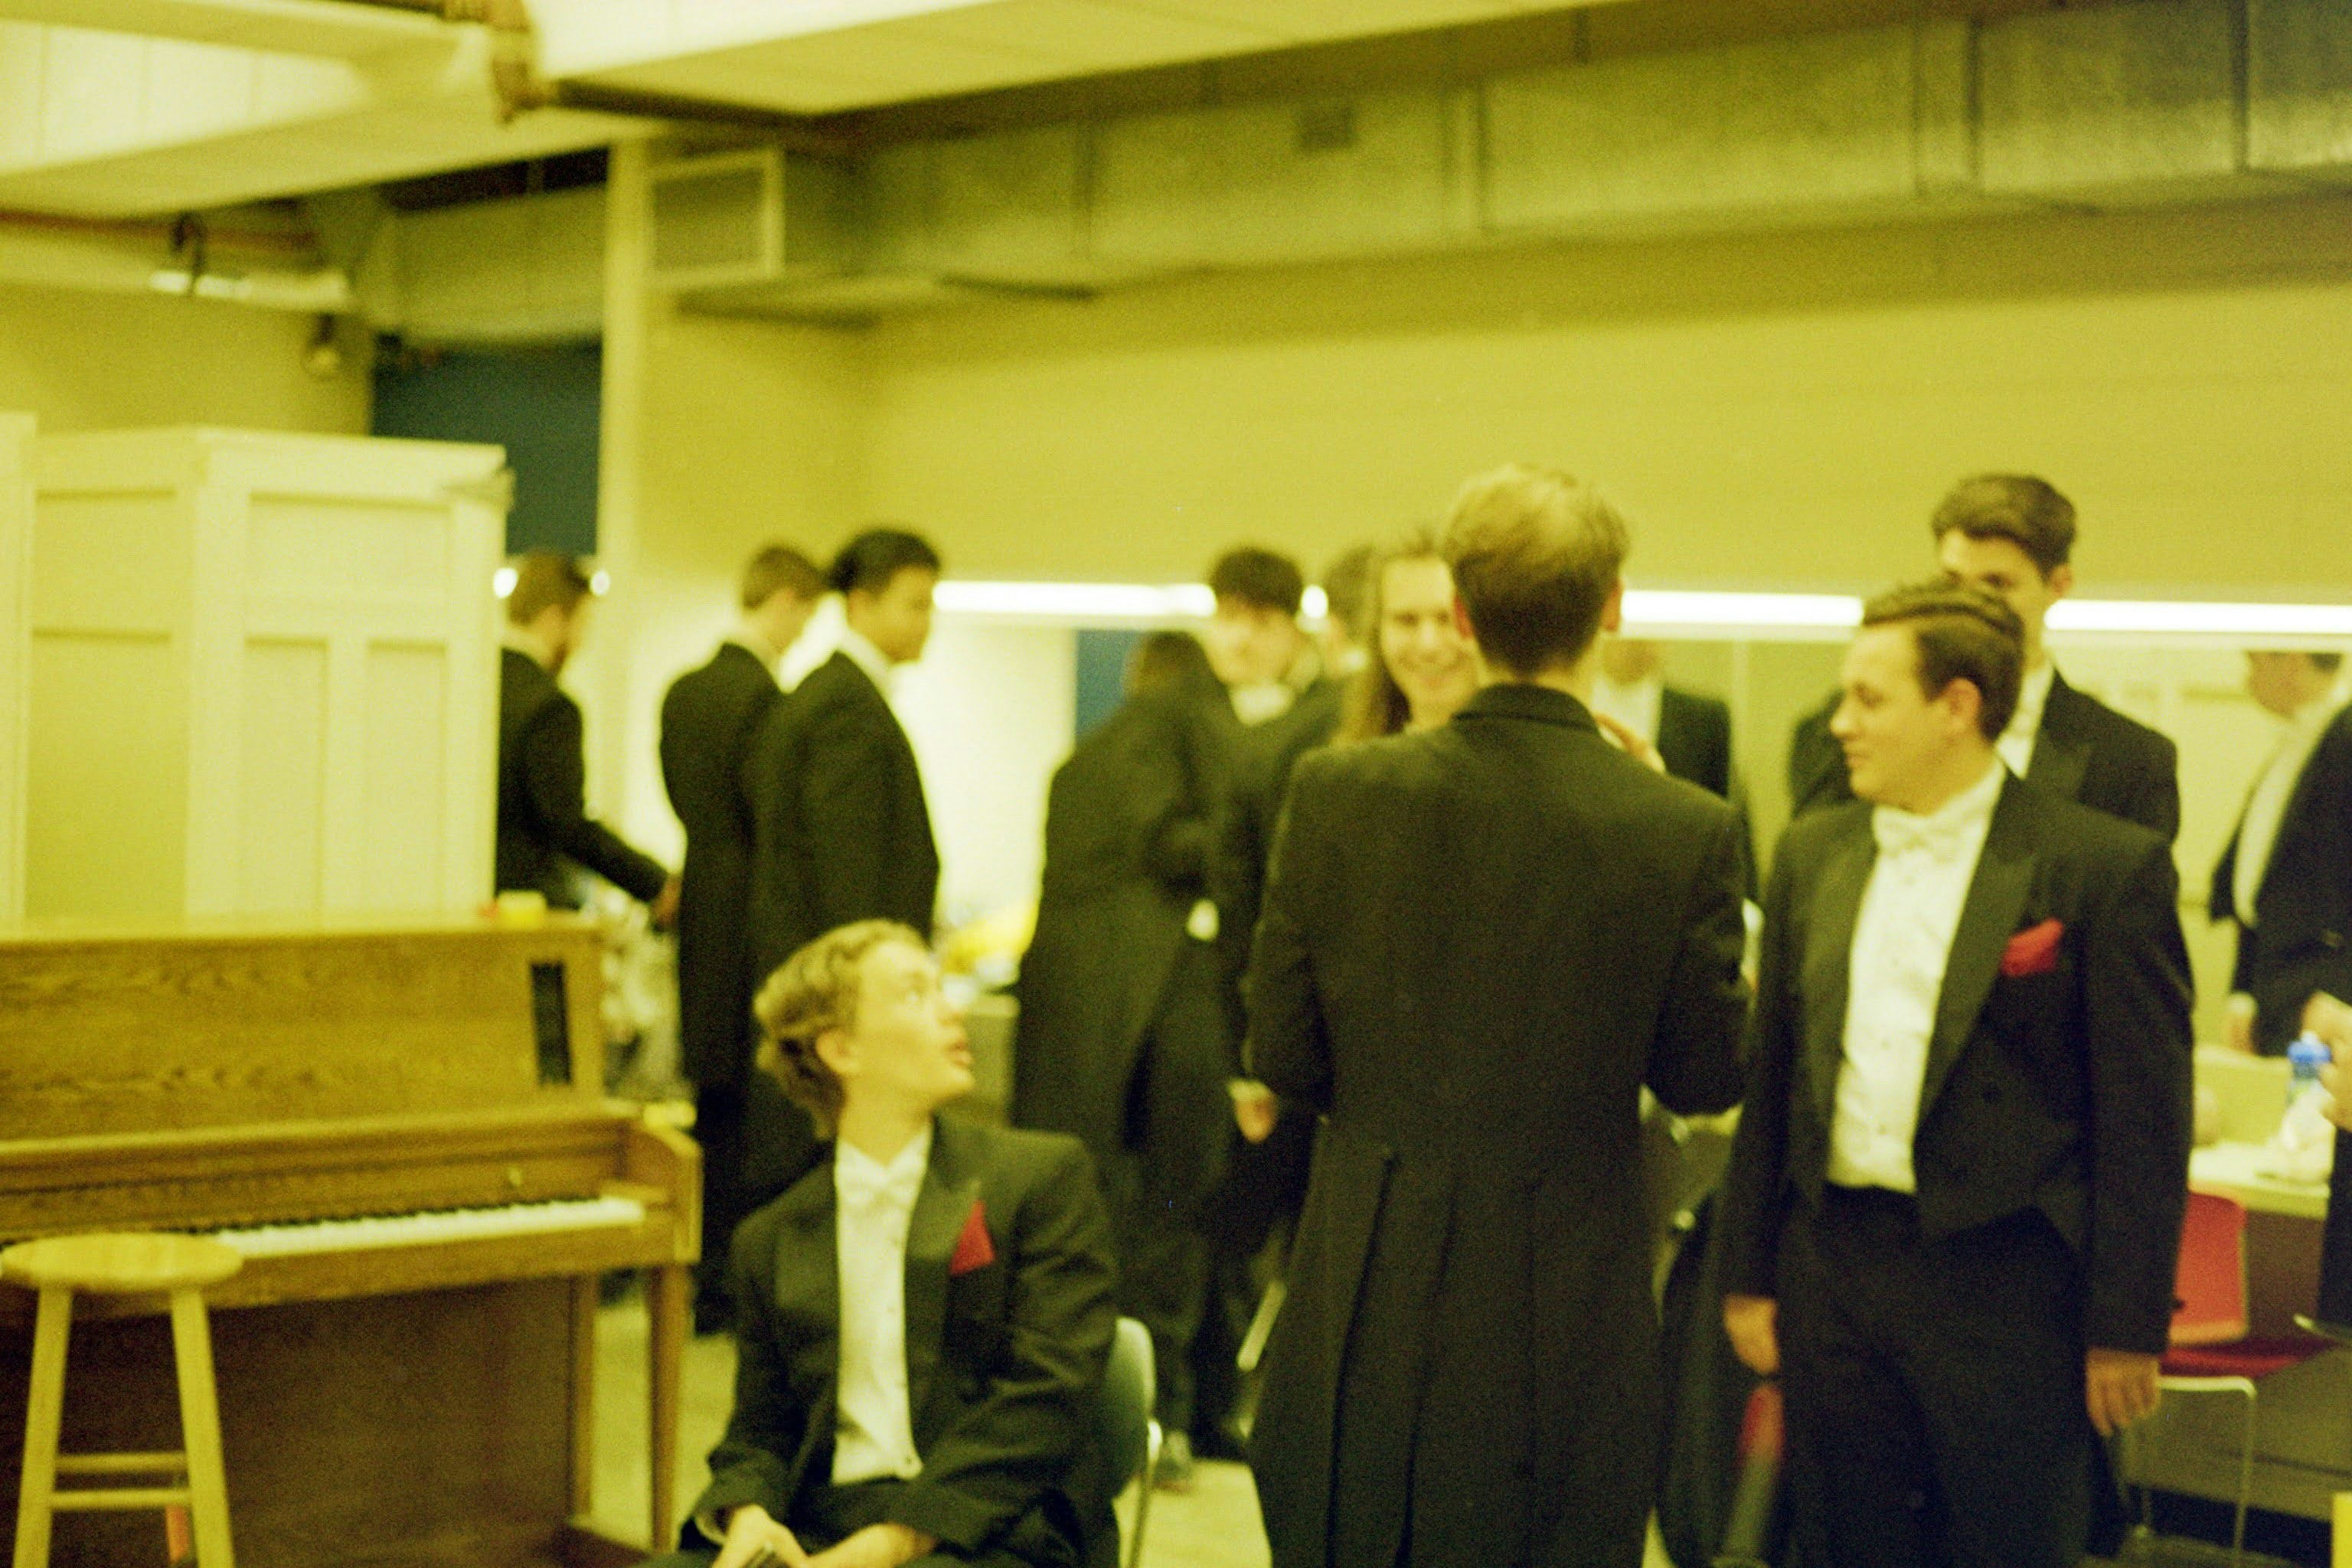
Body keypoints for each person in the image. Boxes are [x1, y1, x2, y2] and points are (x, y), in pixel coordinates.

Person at [1244, 464, 1750, 1568]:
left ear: (1465, 617)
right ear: (1612, 607)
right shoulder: (1680, 825)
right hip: (1568, 1290)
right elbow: (1707, 1075)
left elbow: (1281, 1049)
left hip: (1366, 1269)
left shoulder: (1335, 791)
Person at [1717, 583, 2193, 1568]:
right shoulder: (1812, 851)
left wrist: (2127, 1326)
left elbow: (2146, 1122)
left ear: (1957, 706)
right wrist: (1747, 1274)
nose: (1840, 723)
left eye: (1869, 698)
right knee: (1844, 1544)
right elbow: (1774, 1084)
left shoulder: (2101, 865)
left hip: (2007, 1283)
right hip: (1834, 1270)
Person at [642, 920, 1119, 1568]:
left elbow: (1045, 1400)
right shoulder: (770, 1238)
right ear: (842, 1049)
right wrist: (747, 1516)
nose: (952, 1011)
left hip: (991, 1528)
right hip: (822, 1524)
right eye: (915, 994)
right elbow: (761, 1430)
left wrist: (888, 1546)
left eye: (941, 988)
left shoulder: (1040, 1178)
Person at [1011, 631, 1232, 1484]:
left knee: (1082, 1220)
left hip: (1071, 1041)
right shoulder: (1192, 733)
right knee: (1174, 1214)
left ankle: (1083, 1412)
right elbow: (1175, 843)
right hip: (1173, 1024)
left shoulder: (1075, 769)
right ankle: (1163, 1415)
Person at [1194, 545, 1370, 1459]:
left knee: (1274, 1237)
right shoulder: (1305, 736)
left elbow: (1246, 910)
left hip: (1293, 1041)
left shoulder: (1283, 737)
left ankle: (1253, 1408)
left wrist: (1251, 1053)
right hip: (1336, 1051)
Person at [1786, 475, 2180, 840]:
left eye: (1997, 585)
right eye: (1952, 582)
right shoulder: (1834, 732)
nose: (1969, 604)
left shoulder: (2131, 760)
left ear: (2058, 585)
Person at [660, 543, 826, 1331]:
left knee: (711, 1101)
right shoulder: (768, 701)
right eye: (807, 614)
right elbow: (772, 814)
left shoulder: (684, 691)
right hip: (754, 919)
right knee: (758, 1117)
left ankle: (702, 1279)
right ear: (787, 600)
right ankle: (735, 1284)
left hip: (702, 912)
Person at [746, 530, 944, 987]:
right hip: (843, 979)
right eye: (915, 606)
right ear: (861, 604)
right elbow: (848, 870)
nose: (927, 623)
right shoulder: (844, 708)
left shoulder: (840, 694)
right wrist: (870, 983)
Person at [496, 550, 677, 920]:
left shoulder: (477, 685)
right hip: (531, 910)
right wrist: (654, 883)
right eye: (581, 624)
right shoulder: (551, 706)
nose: (581, 642)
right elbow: (567, 823)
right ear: (553, 619)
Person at [2211, 650, 2352, 1054]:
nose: (2247, 679)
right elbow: (2262, 874)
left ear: (2291, 662)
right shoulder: (2300, 740)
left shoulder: (2343, 737)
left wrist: (2340, 993)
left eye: (2255, 663)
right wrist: (2243, 990)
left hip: (2324, 995)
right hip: (2278, 979)